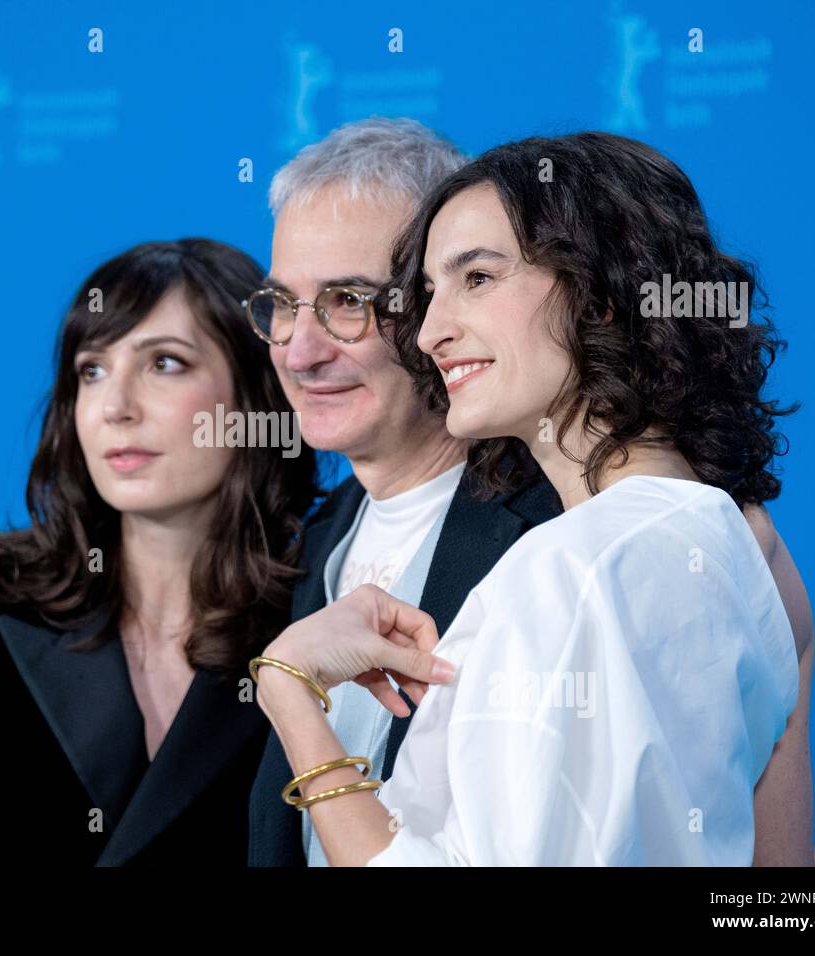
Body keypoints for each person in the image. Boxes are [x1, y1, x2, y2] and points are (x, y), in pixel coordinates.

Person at [249, 132, 815, 865]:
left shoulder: (571, 559)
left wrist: (291, 695)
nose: (428, 333)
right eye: (426, 292)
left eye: (477, 278)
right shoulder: (725, 542)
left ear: (603, 289)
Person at [0, 238, 319, 867]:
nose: (116, 407)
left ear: (257, 396)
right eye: (91, 371)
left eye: (165, 363)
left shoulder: (314, 624)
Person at [245, 118, 566, 867]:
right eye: (282, 303)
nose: (299, 348)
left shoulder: (560, 529)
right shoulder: (309, 542)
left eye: (349, 301)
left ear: (437, 306)